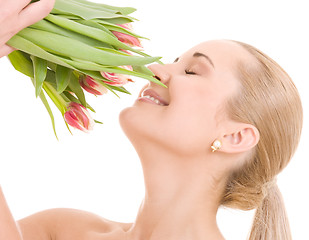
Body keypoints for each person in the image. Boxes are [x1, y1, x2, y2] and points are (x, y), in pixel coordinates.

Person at [0, 1, 303, 240]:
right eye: (174, 61)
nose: (155, 68)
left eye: (192, 71)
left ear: (235, 137)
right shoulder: (61, 230)